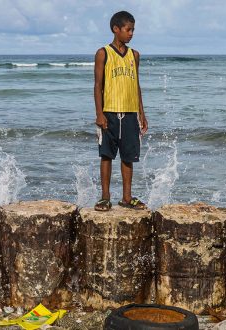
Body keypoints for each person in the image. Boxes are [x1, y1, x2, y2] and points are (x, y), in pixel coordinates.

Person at [93, 10, 148, 211]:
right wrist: (99, 114)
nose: (131, 33)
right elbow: (98, 85)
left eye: (133, 30)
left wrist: (142, 113)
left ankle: (127, 197)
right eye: (128, 29)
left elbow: (137, 86)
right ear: (116, 29)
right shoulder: (103, 53)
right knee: (106, 155)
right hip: (109, 113)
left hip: (131, 113)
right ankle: (105, 197)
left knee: (128, 156)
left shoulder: (135, 55)